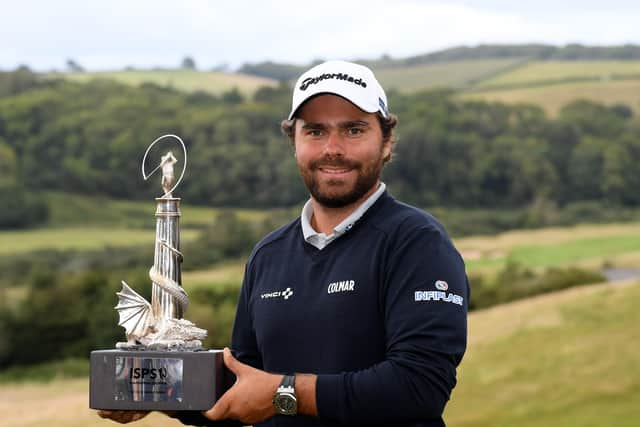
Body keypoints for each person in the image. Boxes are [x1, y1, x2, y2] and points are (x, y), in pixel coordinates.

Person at [100, 60, 468, 427]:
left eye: (354, 130)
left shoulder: (417, 243)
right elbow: (244, 386)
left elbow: (419, 387)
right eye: (315, 132)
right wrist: (154, 391)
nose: (333, 149)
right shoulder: (269, 254)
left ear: (386, 142)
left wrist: (283, 393)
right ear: (294, 140)